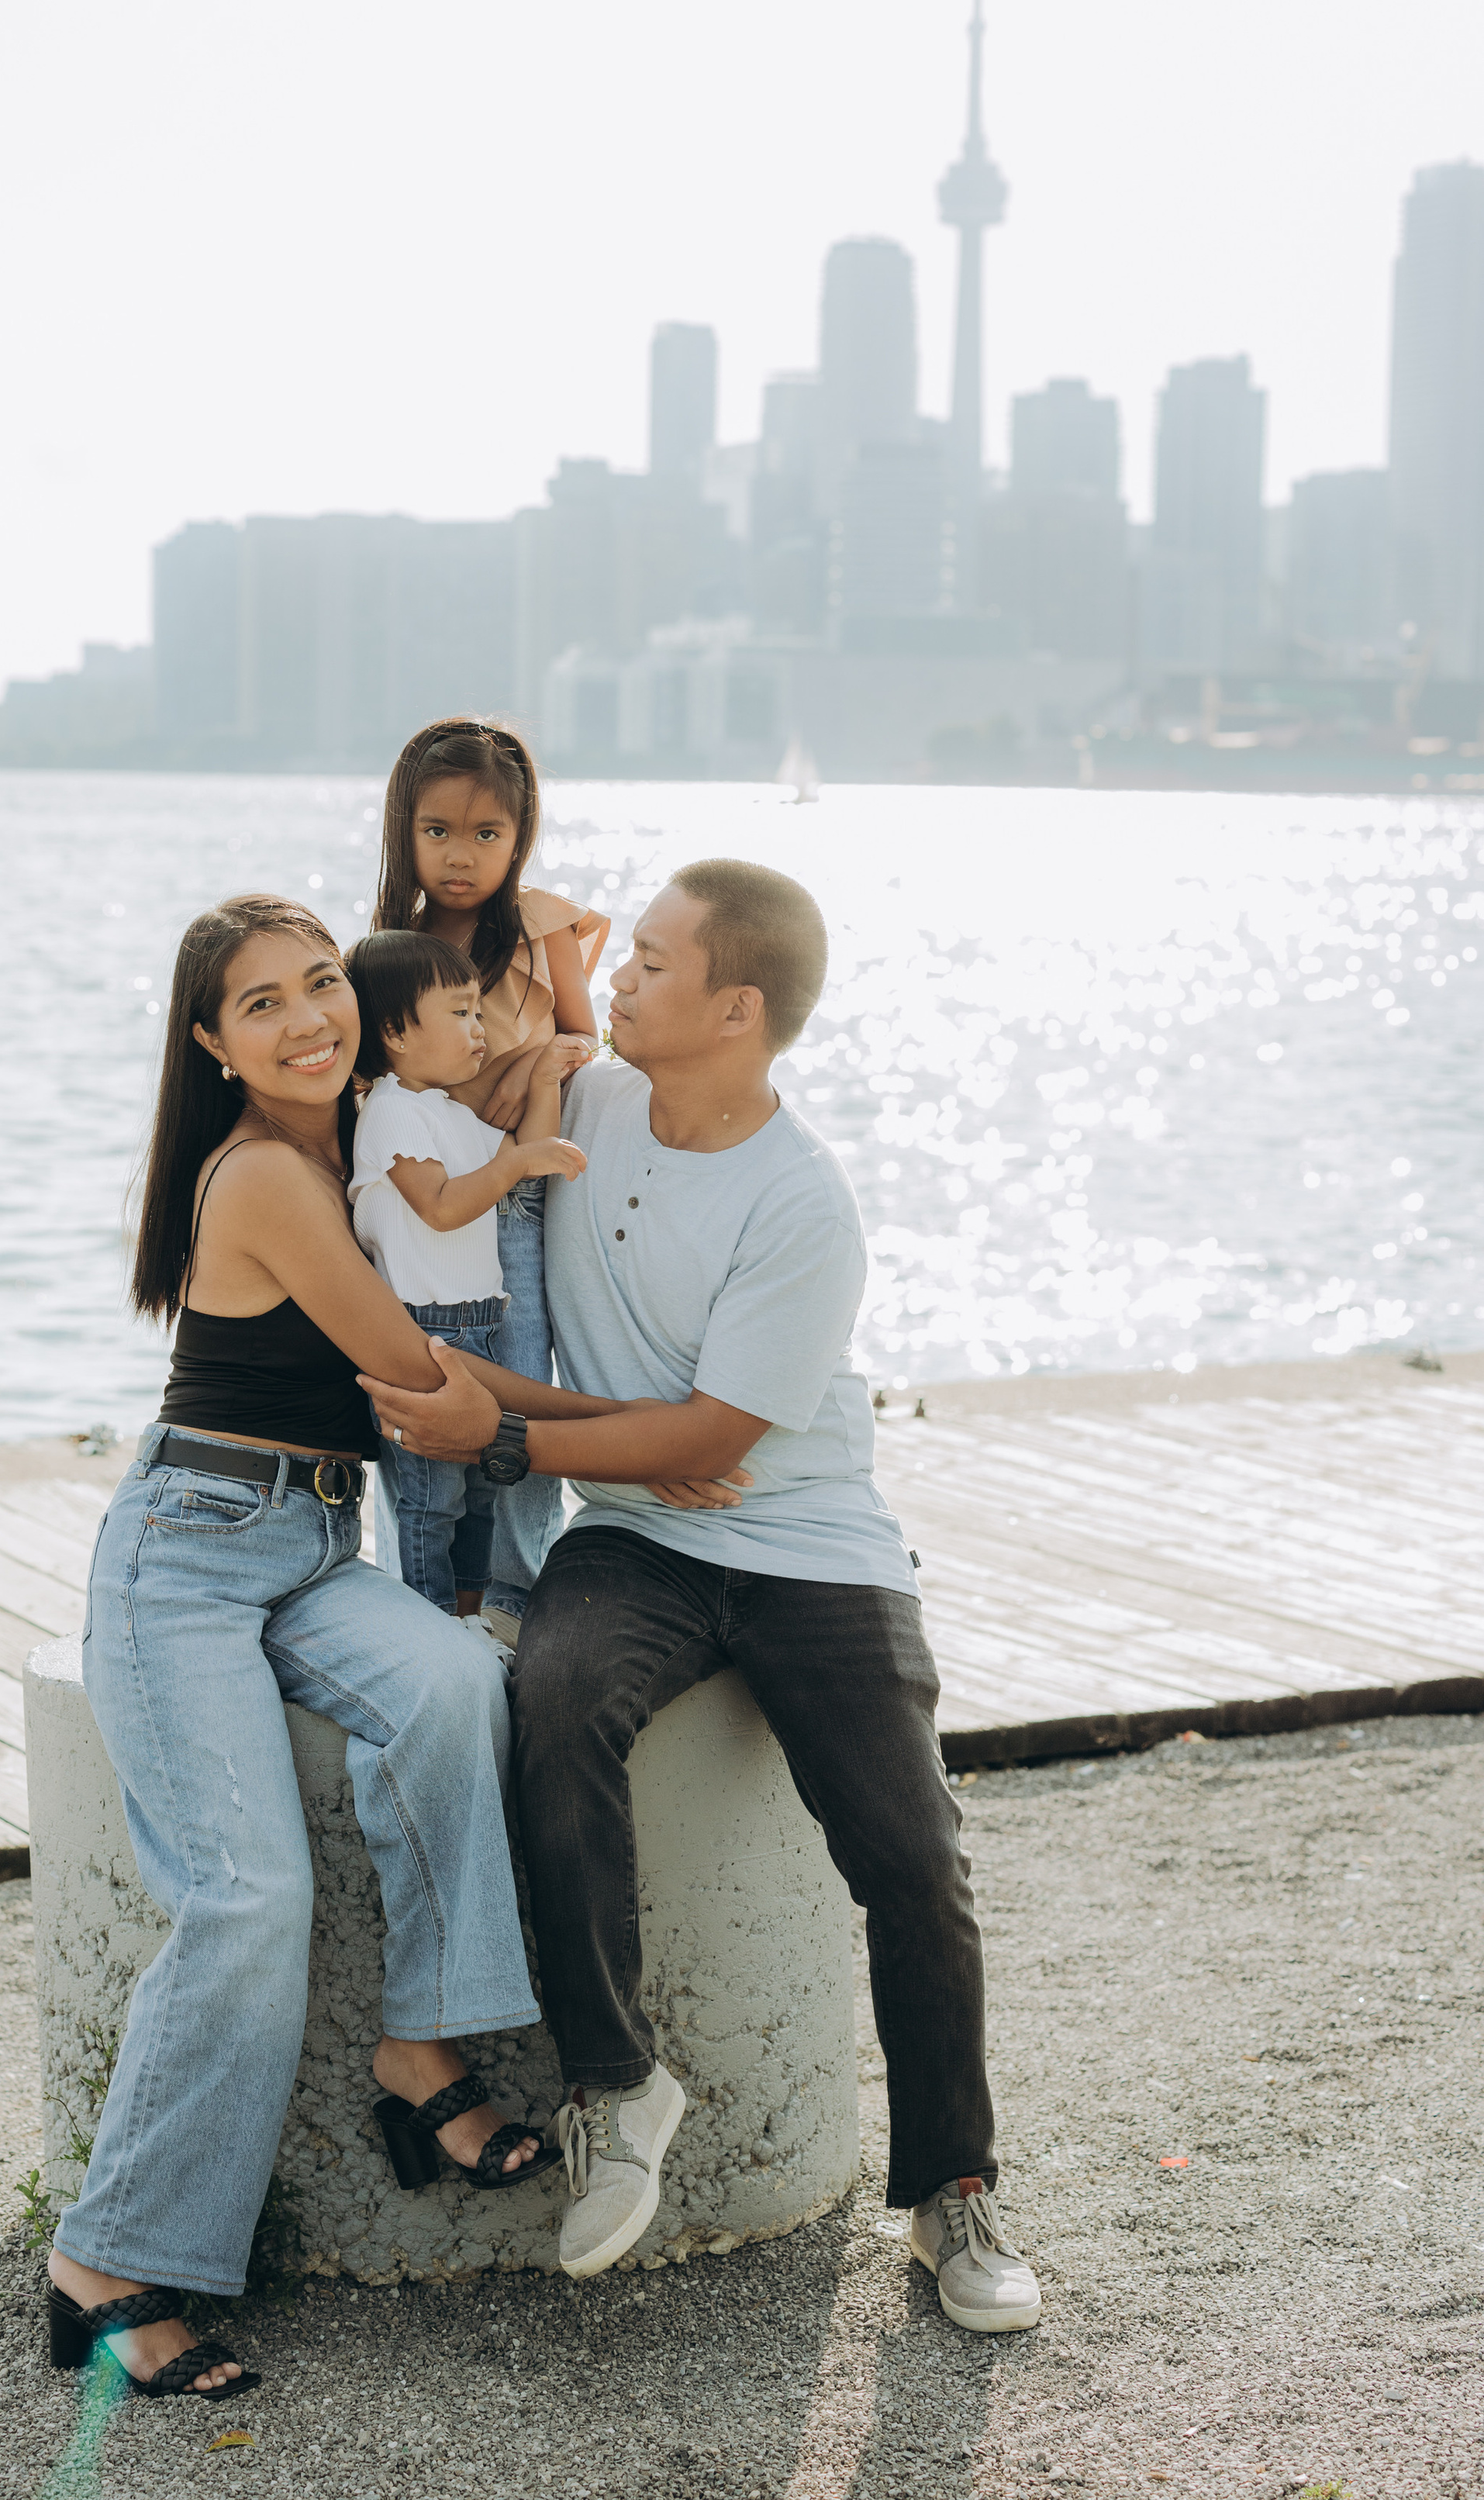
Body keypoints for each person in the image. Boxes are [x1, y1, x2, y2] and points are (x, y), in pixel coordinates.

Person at [361, 859, 1043, 2334]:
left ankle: (953, 2195)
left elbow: (718, 1441)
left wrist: (517, 1433)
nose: (623, 984)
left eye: (653, 965)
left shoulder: (805, 1203)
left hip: (808, 1539)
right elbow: (408, 1086)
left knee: (913, 1853)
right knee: (550, 1700)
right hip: (635, 1534)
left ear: (736, 1008)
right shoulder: (582, 1108)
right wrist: (537, 932)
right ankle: (617, 2084)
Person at [46, 896, 561, 2405]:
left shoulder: (362, 1148)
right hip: (187, 1559)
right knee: (247, 1897)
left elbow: (510, 1069)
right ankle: (105, 2256)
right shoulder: (270, 1173)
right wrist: (645, 1442)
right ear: (211, 1046)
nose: (305, 1017)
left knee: (458, 1684)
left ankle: (419, 2050)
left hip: (304, 1548)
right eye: (259, 1004)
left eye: (321, 982)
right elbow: (413, 1374)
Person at [369, 717, 608, 1631]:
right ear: (404, 832)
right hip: (431, 1203)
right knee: (429, 1410)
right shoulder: (393, 949)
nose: (460, 856)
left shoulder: (540, 925)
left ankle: (513, 1596)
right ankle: (423, 1599)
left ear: (519, 837)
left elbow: (586, 1036)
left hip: (516, 1199)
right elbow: (379, 1079)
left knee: (517, 1386)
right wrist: (487, 1078)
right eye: (437, 832)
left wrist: (526, 1067)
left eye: (486, 834)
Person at [343, 929, 588, 1623]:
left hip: (477, 1322)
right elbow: (443, 1207)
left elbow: (523, 1156)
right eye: (459, 1013)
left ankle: (471, 1614)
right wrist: (512, 1165)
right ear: (394, 1031)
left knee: (481, 1482)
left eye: (480, 1012)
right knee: (430, 1496)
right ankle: (430, 1620)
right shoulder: (390, 1110)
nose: (478, 1030)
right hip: (422, 1333)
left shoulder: (448, 1111)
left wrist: (543, 1079)